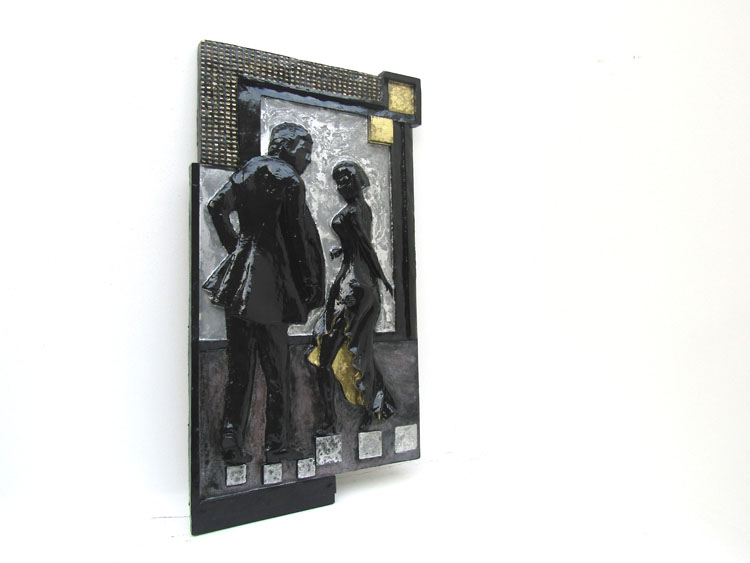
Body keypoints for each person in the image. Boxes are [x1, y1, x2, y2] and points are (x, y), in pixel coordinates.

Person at [203, 123, 324, 463]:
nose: (308, 159)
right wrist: (309, 282)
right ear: (284, 147)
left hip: (239, 280)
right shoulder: (289, 179)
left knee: (239, 368)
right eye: (304, 151)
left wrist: (236, 247)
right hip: (272, 285)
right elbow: (296, 238)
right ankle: (276, 445)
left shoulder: (248, 170)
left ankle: (230, 437)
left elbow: (216, 207)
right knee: (277, 371)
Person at [307, 161, 396, 435]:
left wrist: (383, 278)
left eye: (346, 180)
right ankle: (371, 409)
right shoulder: (362, 210)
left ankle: (332, 420)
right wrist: (342, 250)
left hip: (353, 290)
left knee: (331, 354)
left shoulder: (355, 211)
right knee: (356, 350)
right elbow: (359, 246)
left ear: (359, 180)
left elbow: (367, 248)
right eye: (338, 182)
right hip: (355, 285)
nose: (341, 187)